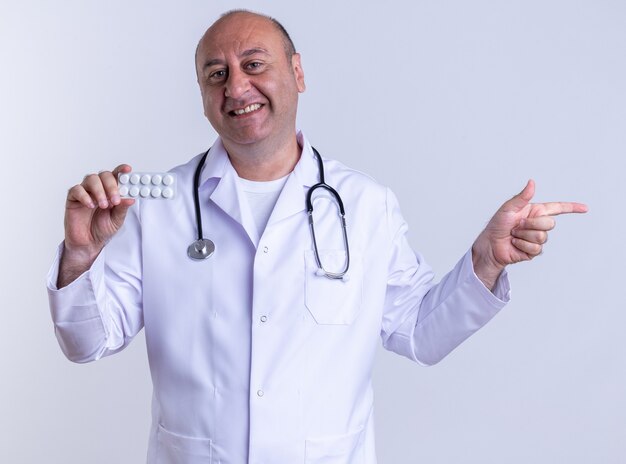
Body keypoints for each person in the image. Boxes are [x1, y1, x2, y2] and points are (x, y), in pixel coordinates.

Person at [47, 9, 588, 464]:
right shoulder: (156, 205)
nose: (237, 87)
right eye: (216, 74)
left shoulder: (364, 206)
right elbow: (87, 342)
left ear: (297, 73)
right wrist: (80, 254)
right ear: (202, 93)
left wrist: (486, 262)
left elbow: (420, 332)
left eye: (253, 64)